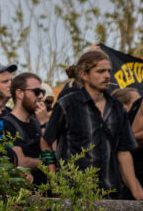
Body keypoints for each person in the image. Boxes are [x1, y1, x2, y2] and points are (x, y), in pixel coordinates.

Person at [42, 50, 142, 199]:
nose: (107, 75)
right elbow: (45, 142)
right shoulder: (66, 105)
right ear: (84, 75)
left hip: (110, 193)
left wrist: (136, 192)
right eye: (101, 71)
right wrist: (54, 180)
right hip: (74, 195)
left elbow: (123, 152)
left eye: (109, 71)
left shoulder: (117, 107)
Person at [0, 73, 46, 181]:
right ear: (19, 93)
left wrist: (44, 124)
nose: (41, 96)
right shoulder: (6, 124)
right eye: (36, 92)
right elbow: (21, 162)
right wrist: (49, 162)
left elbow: (54, 150)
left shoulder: (38, 122)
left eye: (42, 92)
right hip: (26, 193)